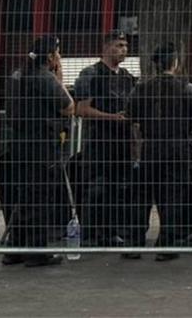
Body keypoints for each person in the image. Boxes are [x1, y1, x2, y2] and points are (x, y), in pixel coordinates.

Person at [123, 43, 192, 260]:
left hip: (150, 146)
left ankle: (134, 243)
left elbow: (130, 114)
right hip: (178, 146)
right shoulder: (186, 88)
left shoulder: (142, 88)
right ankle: (167, 245)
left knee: (142, 196)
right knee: (173, 196)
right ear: (175, 63)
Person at [2, 36, 74, 267]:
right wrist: (59, 77)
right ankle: (36, 252)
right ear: (50, 56)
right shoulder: (43, 77)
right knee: (40, 199)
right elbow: (68, 107)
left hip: (18, 143)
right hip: (41, 145)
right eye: (58, 53)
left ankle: (15, 248)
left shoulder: (17, 75)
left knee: (24, 198)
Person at [73, 30, 137, 251]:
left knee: (119, 189)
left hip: (123, 143)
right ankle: (90, 233)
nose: (124, 50)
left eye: (125, 46)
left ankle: (111, 232)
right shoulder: (91, 74)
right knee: (96, 188)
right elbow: (82, 109)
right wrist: (111, 117)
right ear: (106, 47)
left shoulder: (127, 77)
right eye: (119, 45)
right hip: (98, 141)